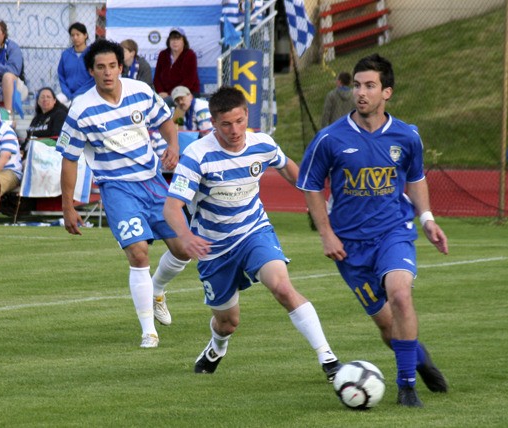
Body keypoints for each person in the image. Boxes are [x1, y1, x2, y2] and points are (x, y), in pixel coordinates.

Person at [297, 53, 449, 407]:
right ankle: (419, 358)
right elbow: (311, 185)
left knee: (400, 295)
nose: (361, 93)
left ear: (387, 92)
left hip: (393, 232)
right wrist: (326, 233)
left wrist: (426, 219)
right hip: (350, 247)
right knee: (386, 327)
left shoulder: (407, 136)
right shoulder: (329, 139)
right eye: (357, 86)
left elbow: (415, 179)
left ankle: (407, 386)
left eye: (370, 86)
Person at [163, 86, 341, 379]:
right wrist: (185, 236)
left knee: (283, 287)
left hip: (253, 231)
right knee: (227, 323)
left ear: (247, 114)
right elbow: (172, 208)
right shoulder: (197, 155)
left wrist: (318, 202)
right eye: (226, 124)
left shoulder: (263, 145)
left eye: (240, 121)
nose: (235, 130)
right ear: (213, 122)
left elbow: (290, 170)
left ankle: (329, 360)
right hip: (213, 248)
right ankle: (217, 347)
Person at [57, 39, 190, 348]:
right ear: (90, 71)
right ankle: (148, 332)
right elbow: (69, 159)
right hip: (117, 188)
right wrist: (68, 206)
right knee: (139, 252)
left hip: (154, 182)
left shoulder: (140, 92)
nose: (107, 73)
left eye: (113, 66)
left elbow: (166, 123)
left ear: (122, 67)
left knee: (184, 248)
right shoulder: (81, 109)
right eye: (100, 67)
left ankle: (156, 289)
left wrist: (173, 147)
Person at [153, 28, 200, 104]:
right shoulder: (163, 54)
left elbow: (189, 81)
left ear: (183, 41)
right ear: (169, 41)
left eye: (178, 39)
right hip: (164, 94)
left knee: (162, 104)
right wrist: (160, 92)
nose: (175, 42)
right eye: (172, 39)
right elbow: (157, 78)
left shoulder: (190, 55)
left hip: (186, 93)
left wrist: (169, 93)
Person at [56, 22, 95, 107]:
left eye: (78, 34)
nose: (75, 37)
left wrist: (77, 94)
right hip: (68, 93)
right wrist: (67, 92)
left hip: (86, 93)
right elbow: (61, 75)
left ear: (85, 35)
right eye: (72, 35)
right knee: (54, 103)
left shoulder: (92, 54)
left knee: (75, 105)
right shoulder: (66, 54)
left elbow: (94, 78)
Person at [23, 87, 68, 153]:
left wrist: (36, 143)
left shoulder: (60, 115)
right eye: (42, 97)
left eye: (48, 97)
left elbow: (56, 138)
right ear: (38, 101)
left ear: (54, 101)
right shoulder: (36, 119)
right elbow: (28, 138)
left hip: (48, 153)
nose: (45, 99)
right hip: (30, 152)